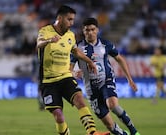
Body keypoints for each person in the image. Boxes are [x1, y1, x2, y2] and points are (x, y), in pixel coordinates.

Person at [36, 5, 110, 135]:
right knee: (59, 115)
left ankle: (92, 132)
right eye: (69, 19)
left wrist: (90, 62)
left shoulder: (71, 35)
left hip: (66, 77)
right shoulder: (46, 31)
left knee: (80, 100)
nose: (72, 23)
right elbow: (39, 43)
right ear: (60, 18)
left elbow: (75, 51)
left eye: (73, 19)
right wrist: (49, 40)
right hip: (48, 81)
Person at [70, 18, 140, 135]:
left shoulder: (105, 44)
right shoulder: (77, 48)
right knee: (109, 125)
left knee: (112, 104)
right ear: (83, 31)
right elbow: (70, 68)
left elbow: (119, 59)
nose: (90, 32)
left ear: (97, 30)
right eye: (87, 30)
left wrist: (129, 79)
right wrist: (73, 73)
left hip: (106, 80)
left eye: (93, 29)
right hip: (91, 88)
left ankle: (134, 131)